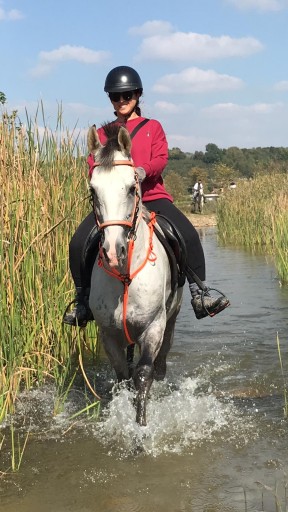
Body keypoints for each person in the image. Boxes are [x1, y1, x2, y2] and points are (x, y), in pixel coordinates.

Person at [63, 66, 230, 327]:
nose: (121, 101)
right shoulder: (104, 133)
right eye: (115, 97)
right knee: (77, 243)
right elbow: (92, 162)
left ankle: (200, 293)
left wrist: (142, 171)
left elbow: (161, 158)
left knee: (187, 233)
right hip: (117, 204)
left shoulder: (153, 127)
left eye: (126, 95)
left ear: (138, 95)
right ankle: (83, 300)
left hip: (151, 194)